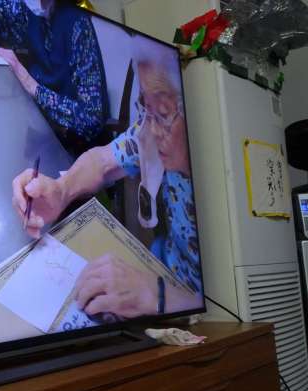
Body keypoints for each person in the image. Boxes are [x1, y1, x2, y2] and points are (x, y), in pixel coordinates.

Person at [11, 35, 203, 319]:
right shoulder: (152, 128)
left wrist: (159, 295)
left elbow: (230, 306)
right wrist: (62, 189)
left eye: (162, 113)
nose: (151, 128)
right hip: (162, 267)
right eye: (146, 109)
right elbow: (102, 161)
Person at [0, 0, 109, 150]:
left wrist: (30, 84)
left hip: (73, 145)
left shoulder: (78, 23)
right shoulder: (27, 9)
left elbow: (92, 119)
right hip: (37, 126)